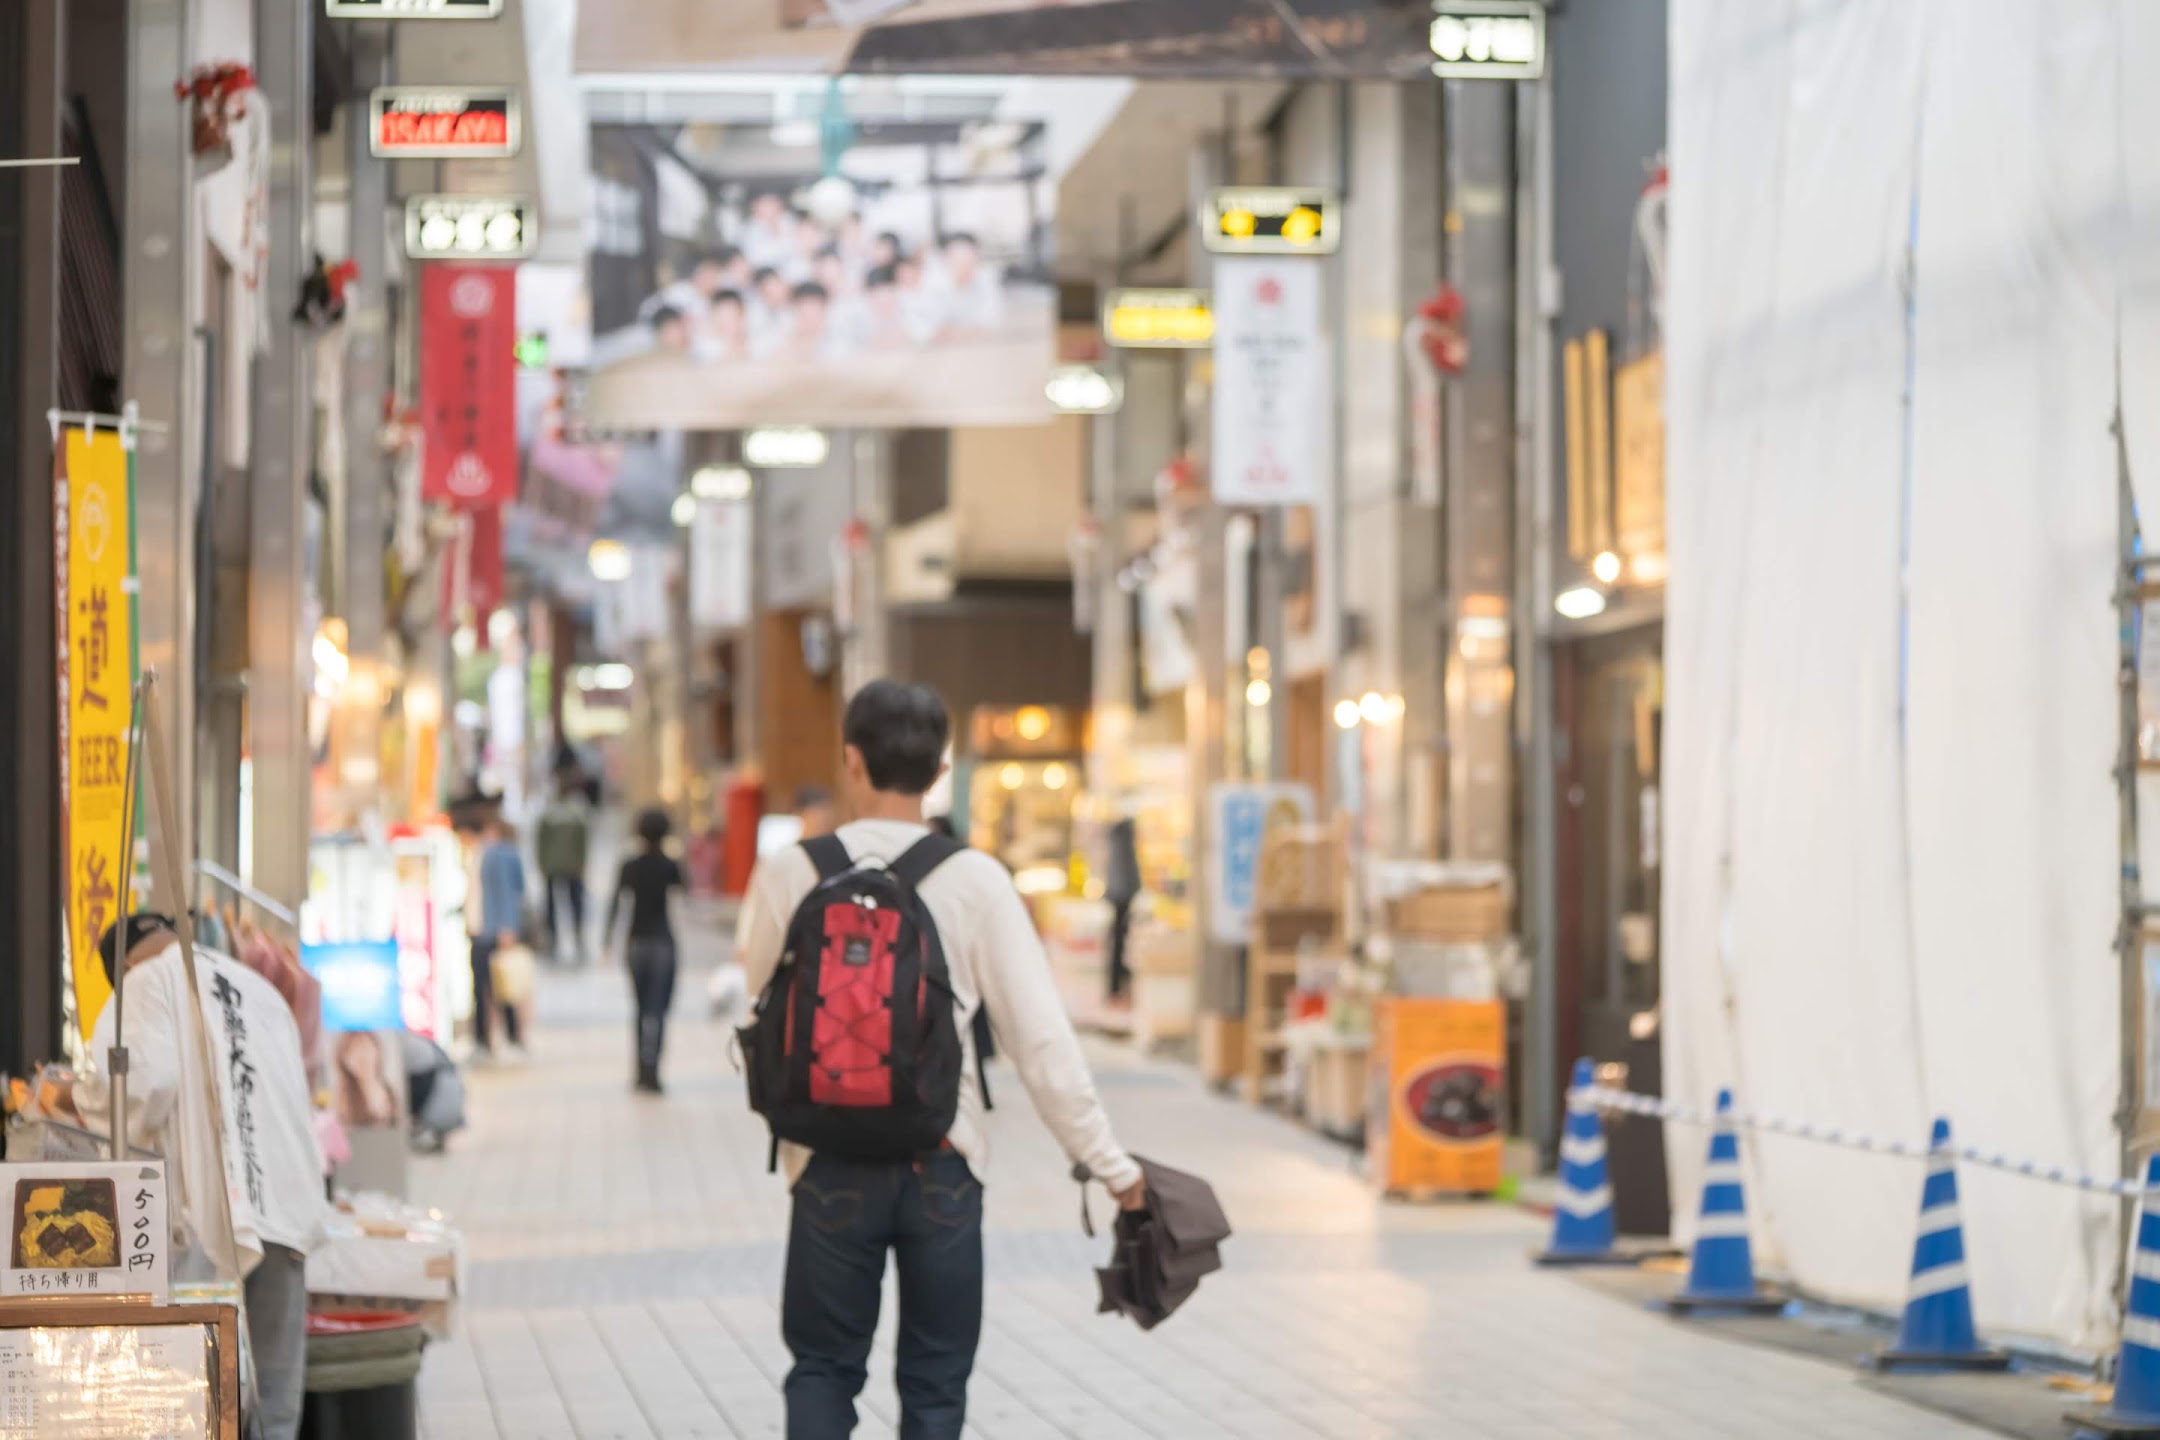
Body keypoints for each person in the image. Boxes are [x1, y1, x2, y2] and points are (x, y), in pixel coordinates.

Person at [737, 680, 1145, 1440]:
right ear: (939, 769)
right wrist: (1110, 1167)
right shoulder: (977, 879)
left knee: (823, 1369)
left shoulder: (794, 870)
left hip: (826, 1161)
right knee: (934, 1383)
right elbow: (1040, 1040)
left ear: (851, 762)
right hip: (943, 1162)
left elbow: (759, 1002)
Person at [66, 913, 326, 1440]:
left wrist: (74, 1097)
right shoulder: (255, 986)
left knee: (204, 1394)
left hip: (212, 1214)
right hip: (287, 1204)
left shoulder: (145, 982)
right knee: (273, 1399)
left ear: (121, 965)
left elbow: (143, 1084)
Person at [609, 807, 686, 1093]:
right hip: (663, 941)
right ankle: (655, 1071)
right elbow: (684, 898)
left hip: (637, 942)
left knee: (640, 1008)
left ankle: (640, 1069)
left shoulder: (630, 865)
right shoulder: (670, 865)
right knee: (660, 1009)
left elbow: (616, 904)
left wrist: (606, 941)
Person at [471, 812, 527, 1058]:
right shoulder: (496, 852)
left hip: (490, 930)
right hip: (483, 928)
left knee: (496, 986)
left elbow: (507, 893)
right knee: (493, 986)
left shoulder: (497, 854)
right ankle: (497, 1038)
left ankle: (501, 1038)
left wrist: (507, 926)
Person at [536, 771, 594, 966]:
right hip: (572, 866)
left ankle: (554, 942)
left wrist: (542, 864)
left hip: (553, 866)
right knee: (573, 904)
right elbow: (583, 842)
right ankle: (575, 940)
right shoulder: (577, 813)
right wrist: (583, 863)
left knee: (554, 906)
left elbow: (540, 842)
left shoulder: (549, 814)